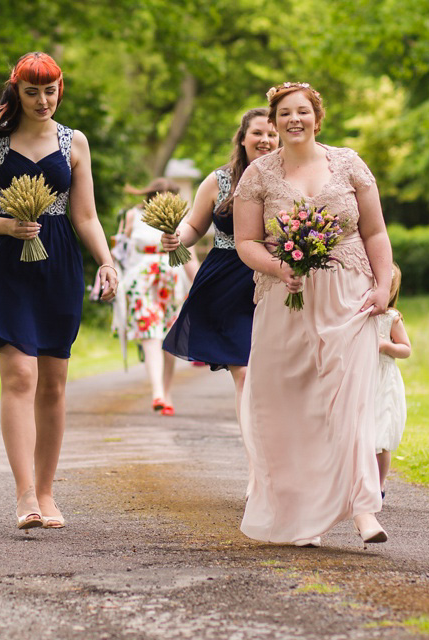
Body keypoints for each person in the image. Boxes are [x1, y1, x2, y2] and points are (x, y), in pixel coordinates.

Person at [233, 82, 393, 547]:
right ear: (275, 120)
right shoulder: (259, 174)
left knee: (346, 400)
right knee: (287, 404)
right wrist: (280, 266)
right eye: (285, 113)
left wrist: (383, 287)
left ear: (317, 118)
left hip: (348, 295)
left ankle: (363, 508)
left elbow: (375, 232)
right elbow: (246, 242)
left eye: (302, 111)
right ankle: (304, 516)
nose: (294, 119)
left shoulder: (348, 162)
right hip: (285, 297)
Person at [0, 52, 117, 530]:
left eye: (50, 91)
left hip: (58, 267)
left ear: (60, 90)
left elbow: (85, 216)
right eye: (32, 92)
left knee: (52, 383)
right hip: (5, 267)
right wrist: (9, 226)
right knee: (20, 378)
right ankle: (25, 495)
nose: (42, 100)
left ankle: (48, 494)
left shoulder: (75, 143)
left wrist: (107, 262)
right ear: (17, 92)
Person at [160, 107, 278, 490]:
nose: (265, 139)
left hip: (278, 281)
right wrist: (178, 236)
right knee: (246, 372)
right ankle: (256, 471)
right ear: (242, 138)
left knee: (275, 378)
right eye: (258, 132)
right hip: (227, 282)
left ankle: (285, 463)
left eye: (272, 134)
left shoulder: (291, 178)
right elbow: (195, 225)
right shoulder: (220, 181)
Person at [117, 178, 188, 416]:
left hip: (171, 279)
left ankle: (166, 392)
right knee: (150, 334)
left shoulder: (180, 216)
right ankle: (157, 392)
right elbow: (122, 248)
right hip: (142, 281)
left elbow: (187, 252)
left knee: (169, 338)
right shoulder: (132, 215)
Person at [375, 263, 411, 499]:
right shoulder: (357, 313)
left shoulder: (391, 318)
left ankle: (379, 484)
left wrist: (387, 346)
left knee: (382, 434)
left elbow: (406, 349)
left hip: (383, 380)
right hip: (363, 379)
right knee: (362, 433)